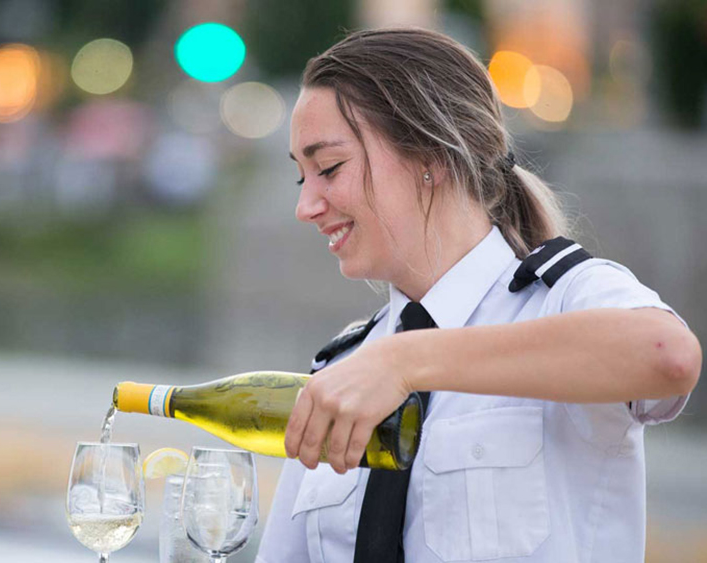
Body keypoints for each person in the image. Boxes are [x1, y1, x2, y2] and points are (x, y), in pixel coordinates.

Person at [256, 27, 701, 563]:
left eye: (329, 168)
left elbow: (667, 356)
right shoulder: (344, 370)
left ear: (433, 156)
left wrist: (406, 362)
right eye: (300, 178)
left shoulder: (564, 298)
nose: (306, 205)